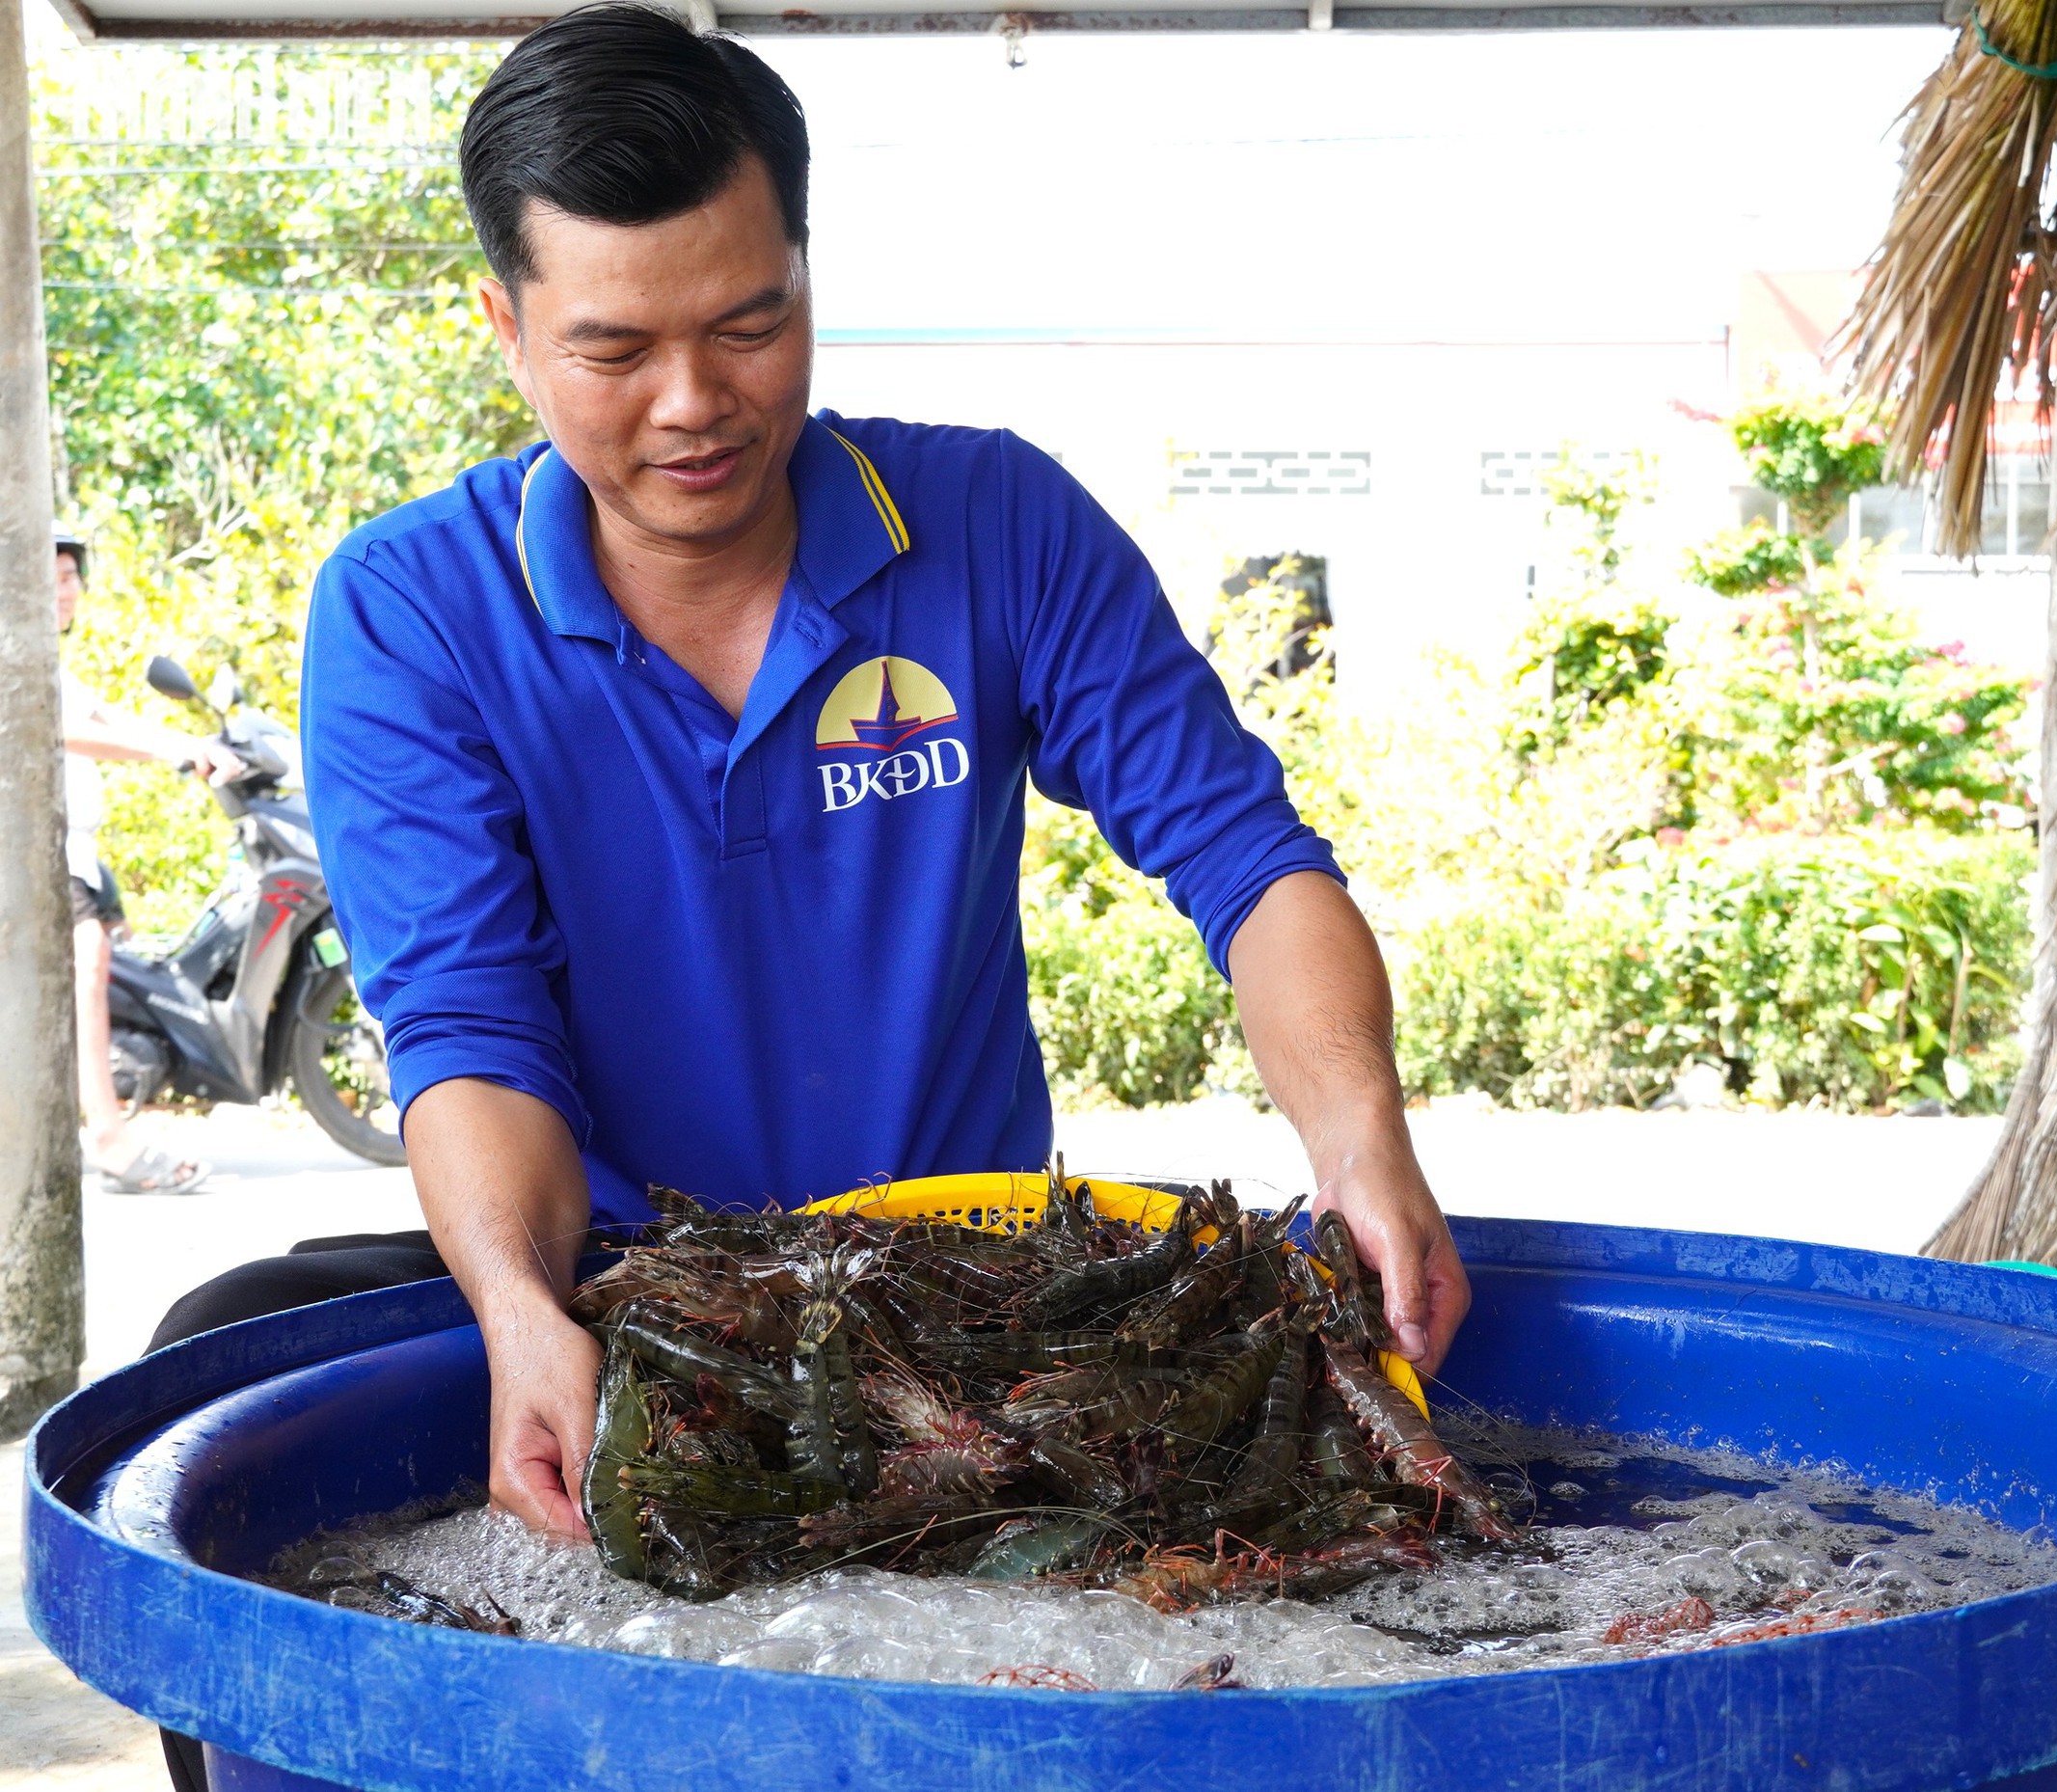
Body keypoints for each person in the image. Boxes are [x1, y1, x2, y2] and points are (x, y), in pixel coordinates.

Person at [157, 0, 1464, 1620]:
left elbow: (1247, 860)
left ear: (806, 275)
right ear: (506, 327)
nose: (695, 400)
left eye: (750, 322)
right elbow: (466, 1021)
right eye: (615, 350)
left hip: (962, 1293)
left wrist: (1360, 1139)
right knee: (200, 1354)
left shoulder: (996, 522)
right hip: (620, 1280)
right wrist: (515, 1304)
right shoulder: (410, 608)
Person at [54, 530, 244, 1195]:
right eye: (48, 577)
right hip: (39, 850)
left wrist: (187, 743)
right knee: (88, 965)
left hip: (76, 850)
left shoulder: (54, 669)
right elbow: (60, 733)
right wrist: (169, 754)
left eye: (71, 575)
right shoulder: (16, 660)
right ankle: (107, 1134)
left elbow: (108, 719)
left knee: (109, 955)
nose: (62, 588)